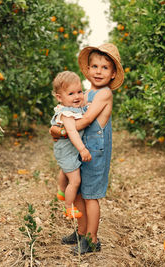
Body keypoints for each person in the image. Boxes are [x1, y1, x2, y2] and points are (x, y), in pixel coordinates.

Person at [49, 43, 124, 254]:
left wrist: (60, 131)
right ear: (88, 69)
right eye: (94, 66)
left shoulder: (104, 94)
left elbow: (86, 120)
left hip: (95, 152)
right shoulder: (86, 93)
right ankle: (81, 233)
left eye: (105, 67)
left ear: (112, 74)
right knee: (80, 192)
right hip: (82, 149)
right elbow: (70, 112)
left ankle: (92, 239)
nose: (98, 71)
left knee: (91, 196)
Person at [50, 71, 92, 219]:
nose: (77, 96)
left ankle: (61, 190)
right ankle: (68, 207)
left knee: (65, 170)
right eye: (71, 93)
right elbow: (72, 132)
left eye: (79, 92)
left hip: (66, 150)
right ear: (59, 98)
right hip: (68, 150)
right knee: (75, 180)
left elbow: (84, 104)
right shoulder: (66, 114)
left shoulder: (72, 108)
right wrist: (82, 149)